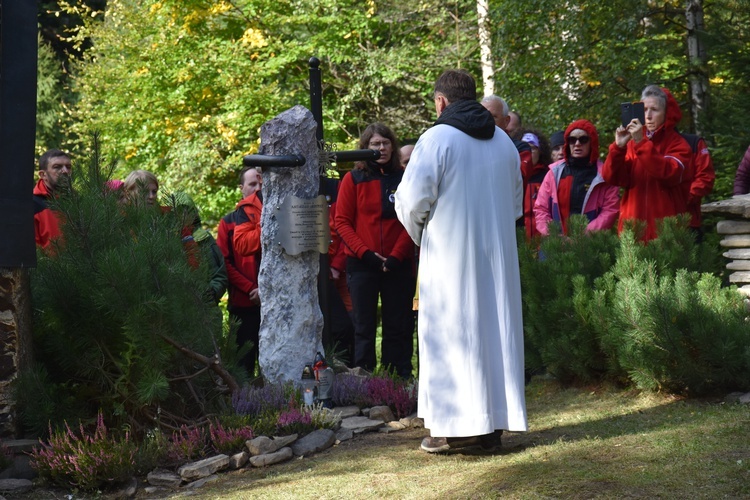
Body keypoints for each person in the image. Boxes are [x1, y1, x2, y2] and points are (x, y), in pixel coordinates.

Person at [394, 69, 527, 453]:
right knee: (492, 334)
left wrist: (426, 237)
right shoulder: (503, 141)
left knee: (453, 336)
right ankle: (491, 427)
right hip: (496, 258)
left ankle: (451, 429)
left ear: (441, 102)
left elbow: (411, 202)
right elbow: (515, 203)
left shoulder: (436, 138)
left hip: (450, 259)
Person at [334, 123, 416, 379]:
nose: (380, 148)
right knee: (363, 327)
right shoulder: (353, 178)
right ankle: (363, 382)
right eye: (374, 144)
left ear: (392, 145)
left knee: (398, 325)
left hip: (398, 263)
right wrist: (366, 254)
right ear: (365, 148)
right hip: (362, 264)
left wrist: (396, 256)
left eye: (385, 143)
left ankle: (397, 379)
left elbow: (412, 219)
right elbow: (342, 222)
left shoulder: (405, 178)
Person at [602, 85, 693, 241]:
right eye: (644, 110)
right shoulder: (631, 143)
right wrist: (618, 148)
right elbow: (613, 178)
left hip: (666, 233)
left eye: (654, 110)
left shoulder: (678, 144)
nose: (648, 116)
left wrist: (640, 142)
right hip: (632, 232)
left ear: (666, 113)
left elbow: (668, 174)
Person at [534, 120, 620, 235]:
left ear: (592, 143)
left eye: (583, 139)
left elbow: (610, 210)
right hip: (556, 244)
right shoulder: (554, 173)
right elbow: (541, 208)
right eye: (572, 140)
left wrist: (583, 237)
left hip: (591, 245)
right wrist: (554, 236)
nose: (577, 144)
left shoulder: (604, 175)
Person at [217, 166, 263, 377]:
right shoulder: (228, 222)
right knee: (243, 365)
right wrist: (251, 288)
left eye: (260, 183)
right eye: (252, 184)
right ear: (241, 188)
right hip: (243, 303)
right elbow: (224, 263)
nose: (257, 188)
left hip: (272, 301)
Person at [172, 191, 228, 306]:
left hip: (206, 310)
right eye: (177, 212)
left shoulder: (204, 239)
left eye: (186, 211)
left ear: (193, 213)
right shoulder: (166, 241)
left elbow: (220, 274)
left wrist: (211, 293)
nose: (182, 216)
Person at [34, 149, 72, 248]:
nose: (65, 171)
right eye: (57, 167)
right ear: (43, 175)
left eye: (68, 167)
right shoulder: (32, 205)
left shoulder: (79, 201)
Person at [679, 132, 714, 240]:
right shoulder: (637, 143)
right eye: (645, 113)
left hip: (688, 222)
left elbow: (705, 178)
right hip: (645, 222)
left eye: (656, 113)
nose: (648, 116)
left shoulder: (693, 142)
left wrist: (680, 201)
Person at [518, 129, 551, 240]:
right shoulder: (513, 177)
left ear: (540, 151)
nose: (528, 151)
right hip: (519, 241)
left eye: (532, 148)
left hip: (544, 241)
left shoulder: (548, 176)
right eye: (524, 147)